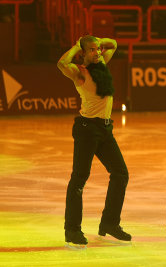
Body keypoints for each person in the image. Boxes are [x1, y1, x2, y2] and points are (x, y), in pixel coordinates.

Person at [57, 35, 131, 246]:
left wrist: (97, 40)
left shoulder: (102, 65)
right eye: (92, 50)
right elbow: (62, 63)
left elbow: (114, 44)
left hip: (105, 129)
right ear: (83, 53)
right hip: (87, 129)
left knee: (120, 173)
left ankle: (109, 223)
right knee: (79, 179)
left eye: (98, 49)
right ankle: (72, 230)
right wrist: (76, 44)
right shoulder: (80, 73)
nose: (97, 52)